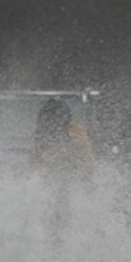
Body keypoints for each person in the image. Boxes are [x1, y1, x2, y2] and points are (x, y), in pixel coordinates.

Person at [31, 98, 95, 241]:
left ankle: (61, 237)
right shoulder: (41, 134)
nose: (48, 121)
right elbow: (37, 161)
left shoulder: (77, 135)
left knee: (64, 211)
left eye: (51, 117)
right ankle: (52, 236)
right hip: (53, 183)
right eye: (46, 117)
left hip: (72, 182)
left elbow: (85, 165)